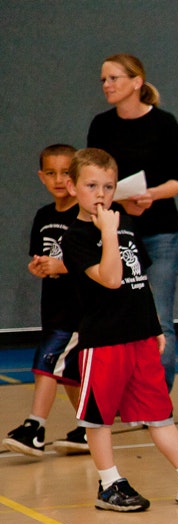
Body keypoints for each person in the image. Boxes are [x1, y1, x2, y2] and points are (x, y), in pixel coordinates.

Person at [61, 148, 178, 512]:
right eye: (91, 185)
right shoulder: (77, 237)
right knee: (98, 419)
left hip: (140, 338)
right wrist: (108, 233)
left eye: (108, 186)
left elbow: (138, 280)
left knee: (159, 412)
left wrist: (154, 326)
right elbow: (111, 279)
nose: (101, 193)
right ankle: (109, 484)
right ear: (71, 186)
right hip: (104, 342)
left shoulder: (125, 225)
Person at [87, 54, 178, 391]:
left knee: (159, 315)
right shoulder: (102, 125)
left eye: (114, 78)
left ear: (136, 82)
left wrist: (151, 195)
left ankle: (157, 395)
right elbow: (93, 174)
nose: (107, 85)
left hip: (160, 231)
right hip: (117, 229)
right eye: (103, 79)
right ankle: (120, 389)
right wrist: (116, 198)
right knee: (115, 312)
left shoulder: (165, 124)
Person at [4, 144, 89, 458]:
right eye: (51, 173)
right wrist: (39, 266)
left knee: (47, 363)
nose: (58, 179)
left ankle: (34, 427)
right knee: (67, 373)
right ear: (41, 177)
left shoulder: (86, 215)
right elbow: (42, 255)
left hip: (81, 310)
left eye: (66, 172)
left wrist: (63, 266)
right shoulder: (43, 216)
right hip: (54, 307)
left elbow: (96, 263)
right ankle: (86, 426)